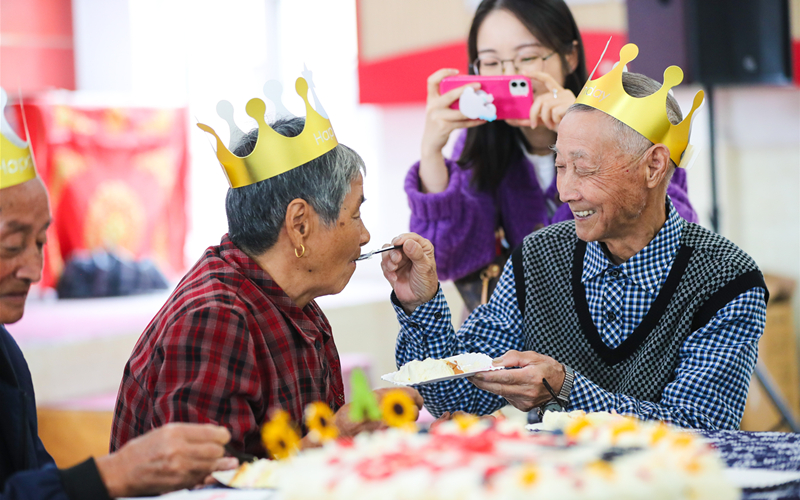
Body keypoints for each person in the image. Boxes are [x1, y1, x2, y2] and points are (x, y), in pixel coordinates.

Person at [383, 47, 768, 431]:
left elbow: (701, 429)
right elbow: (458, 397)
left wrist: (566, 389)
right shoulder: (538, 257)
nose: (565, 191)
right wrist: (420, 306)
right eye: (559, 166)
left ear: (654, 166)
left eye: (583, 169)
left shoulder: (726, 279)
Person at [111, 77, 422, 456]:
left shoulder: (294, 300)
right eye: (355, 214)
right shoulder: (214, 320)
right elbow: (208, 485)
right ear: (300, 224)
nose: (365, 235)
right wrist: (338, 436)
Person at [0, 88, 237, 499]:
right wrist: (113, 474)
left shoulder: (6, 355)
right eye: (10, 245)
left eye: (40, 242)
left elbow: (34, 475)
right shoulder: (211, 313)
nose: (34, 271)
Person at [409, 0, 697, 310]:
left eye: (527, 57)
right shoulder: (479, 141)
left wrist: (580, 133)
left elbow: (674, 238)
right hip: (523, 328)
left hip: (624, 314)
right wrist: (431, 152)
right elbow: (446, 259)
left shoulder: (625, 122)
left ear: (570, 57)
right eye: (491, 63)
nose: (509, 75)